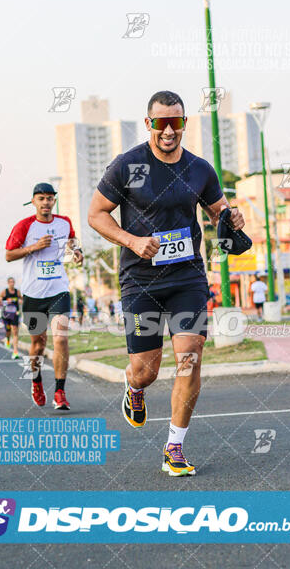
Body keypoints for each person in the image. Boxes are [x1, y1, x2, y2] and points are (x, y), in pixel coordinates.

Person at [88, 90, 245, 476]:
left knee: (190, 356)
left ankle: (174, 446)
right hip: (140, 280)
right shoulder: (127, 166)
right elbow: (96, 214)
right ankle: (134, 387)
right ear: (149, 125)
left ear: (185, 123)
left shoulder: (200, 169)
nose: (169, 130)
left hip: (187, 276)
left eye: (176, 122)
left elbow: (217, 211)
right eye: (161, 123)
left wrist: (231, 219)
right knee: (147, 370)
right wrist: (132, 240)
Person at [5, 183, 83, 410]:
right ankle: (36, 381)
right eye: (41, 199)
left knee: (60, 338)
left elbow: (72, 242)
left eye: (50, 198)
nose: (46, 203)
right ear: (34, 202)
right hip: (33, 294)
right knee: (38, 344)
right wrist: (34, 247)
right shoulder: (24, 226)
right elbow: (9, 255)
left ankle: (60, 391)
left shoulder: (64, 222)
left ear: (54, 201)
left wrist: (77, 253)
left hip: (58, 290)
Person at [0, 277, 23, 359]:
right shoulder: (5, 292)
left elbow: (22, 299)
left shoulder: (17, 291)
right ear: (8, 283)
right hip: (6, 314)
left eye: (13, 282)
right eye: (10, 282)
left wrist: (21, 301)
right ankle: (7, 339)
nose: (12, 283)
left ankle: (15, 352)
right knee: (7, 330)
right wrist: (4, 301)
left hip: (15, 313)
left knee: (15, 332)